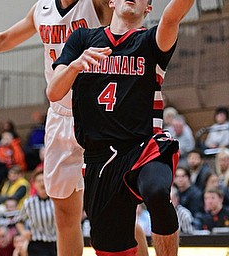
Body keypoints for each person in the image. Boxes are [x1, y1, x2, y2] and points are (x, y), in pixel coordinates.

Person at [0, 1, 149, 255]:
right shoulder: (41, 9)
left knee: (113, 212)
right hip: (59, 117)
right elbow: (4, 40)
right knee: (65, 217)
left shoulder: (96, 4)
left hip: (98, 116)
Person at [47, 0, 196, 254]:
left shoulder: (151, 42)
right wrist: (75, 65)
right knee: (111, 248)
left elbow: (173, 15)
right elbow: (53, 92)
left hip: (143, 146)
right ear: (112, 2)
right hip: (99, 159)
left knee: (157, 192)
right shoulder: (82, 39)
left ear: (147, 9)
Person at [16, 168, 57, 256]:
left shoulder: (56, 201)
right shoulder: (29, 202)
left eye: (44, 180)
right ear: (34, 184)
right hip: (37, 244)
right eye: (39, 181)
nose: (42, 183)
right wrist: (23, 232)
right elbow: (19, 220)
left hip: (55, 243)